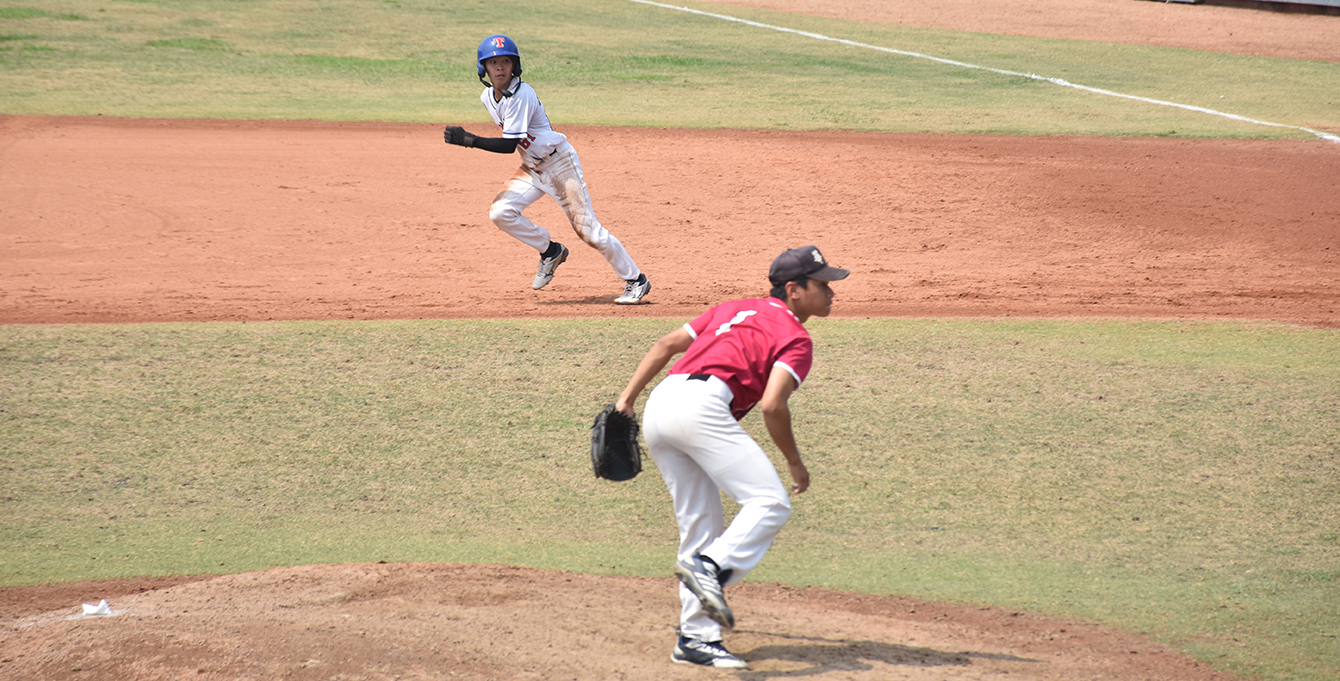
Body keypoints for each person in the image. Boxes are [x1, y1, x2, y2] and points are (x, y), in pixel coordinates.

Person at [614, 245, 849, 669]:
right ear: (793, 290)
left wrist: (626, 400)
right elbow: (773, 406)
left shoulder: (732, 308)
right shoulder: (796, 337)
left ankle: (695, 639)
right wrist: (795, 462)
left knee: (699, 527)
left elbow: (668, 344)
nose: (832, 292)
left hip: (662, 402)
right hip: (702, 408)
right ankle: (712, 567)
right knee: (770, 503)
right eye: (823, 284)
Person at [443, 34, 651, 305]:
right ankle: (551, 250)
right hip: (532, 167)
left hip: (560, 165)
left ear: (515, 65)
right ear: (484, 68)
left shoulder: (521, 94)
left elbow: (508, 146)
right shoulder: (487, 97)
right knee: (501, 212)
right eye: (493, 62)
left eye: (506, 61)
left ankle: (636, 280)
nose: (500, 67)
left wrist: (469, 140)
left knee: (589, 232)